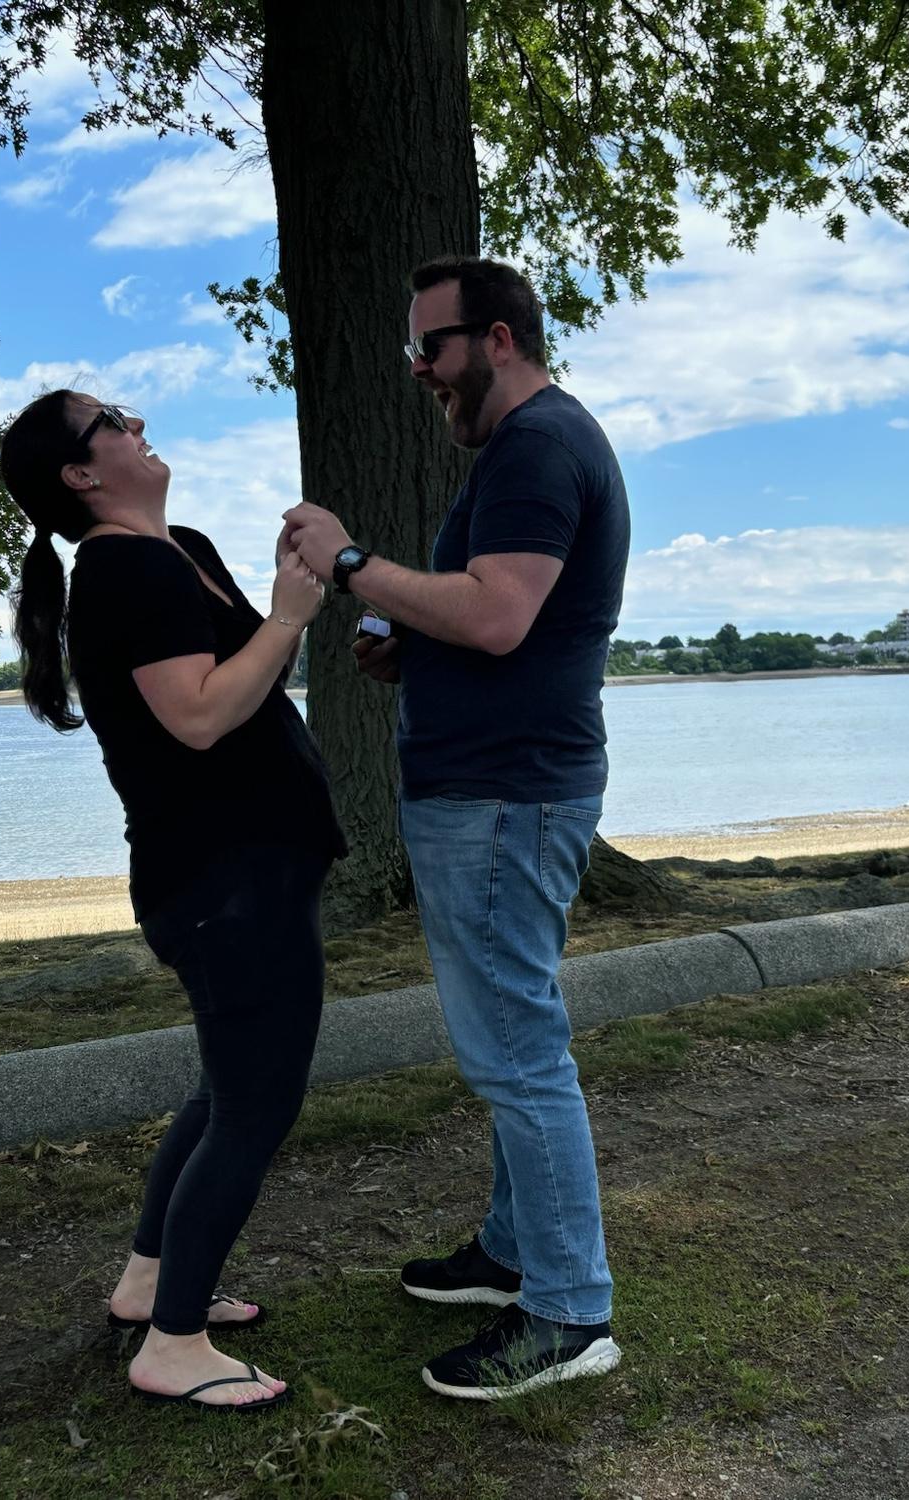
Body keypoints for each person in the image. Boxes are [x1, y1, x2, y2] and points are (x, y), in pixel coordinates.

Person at [281, 255, 631, 1400]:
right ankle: (514, 1251)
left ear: (499, 340)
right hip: (503, 792)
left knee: (517, 1053)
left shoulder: (537, 446)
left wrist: (348, 563)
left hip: (502, 800)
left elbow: (497, 614)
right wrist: (413, 643)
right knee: (513, 1038)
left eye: (429, 347)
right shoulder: (532, 448)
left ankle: (569, 1312)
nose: (418, 370)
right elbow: (489, 621)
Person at [0, 389, 347, 1412]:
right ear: (81, 473)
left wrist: (287, 604)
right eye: (111, 420)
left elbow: (246, 680)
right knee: (255, 1105)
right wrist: (287, 618)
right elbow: (197, 717)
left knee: (223, 1091)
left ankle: (151, 1284)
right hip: (222, 881)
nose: (136, 422)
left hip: (255, 869)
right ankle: (174, 1345)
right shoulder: (124, 570)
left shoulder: (179, 547)